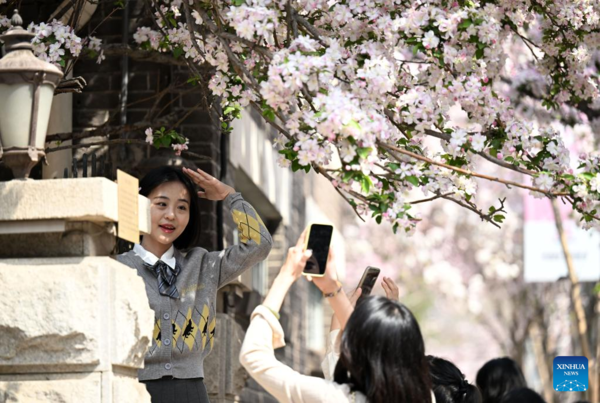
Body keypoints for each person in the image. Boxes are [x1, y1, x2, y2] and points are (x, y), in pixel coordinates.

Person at [117, 166, 272, 403]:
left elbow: (259, 245)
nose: (171, 215)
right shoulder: (118, 268)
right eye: (161, 204)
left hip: (191, 394)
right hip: (132, 391)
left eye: (182, 207)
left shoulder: (203, 266)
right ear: (140, 205)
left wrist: (229, 195)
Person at [240, 236, 433, 403]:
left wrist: (286, 276)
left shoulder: (334, 397)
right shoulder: (425, 397)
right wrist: (334, 291)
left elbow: (254, 357)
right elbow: (367, 346)